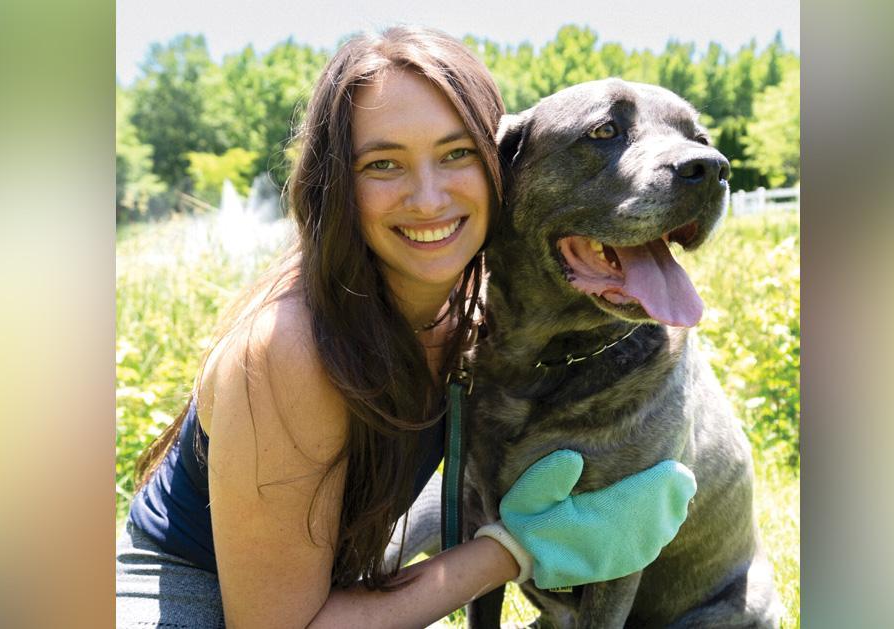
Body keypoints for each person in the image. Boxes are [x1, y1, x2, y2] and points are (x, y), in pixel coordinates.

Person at [116, 26, 697, 628]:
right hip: (187, 600)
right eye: (384, 163)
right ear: (336, 185)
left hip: (327, 589)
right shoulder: (288, 348)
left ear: (502, 165)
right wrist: (515, 549)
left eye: (456, 154)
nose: (427, 198)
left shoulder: (469, 314)